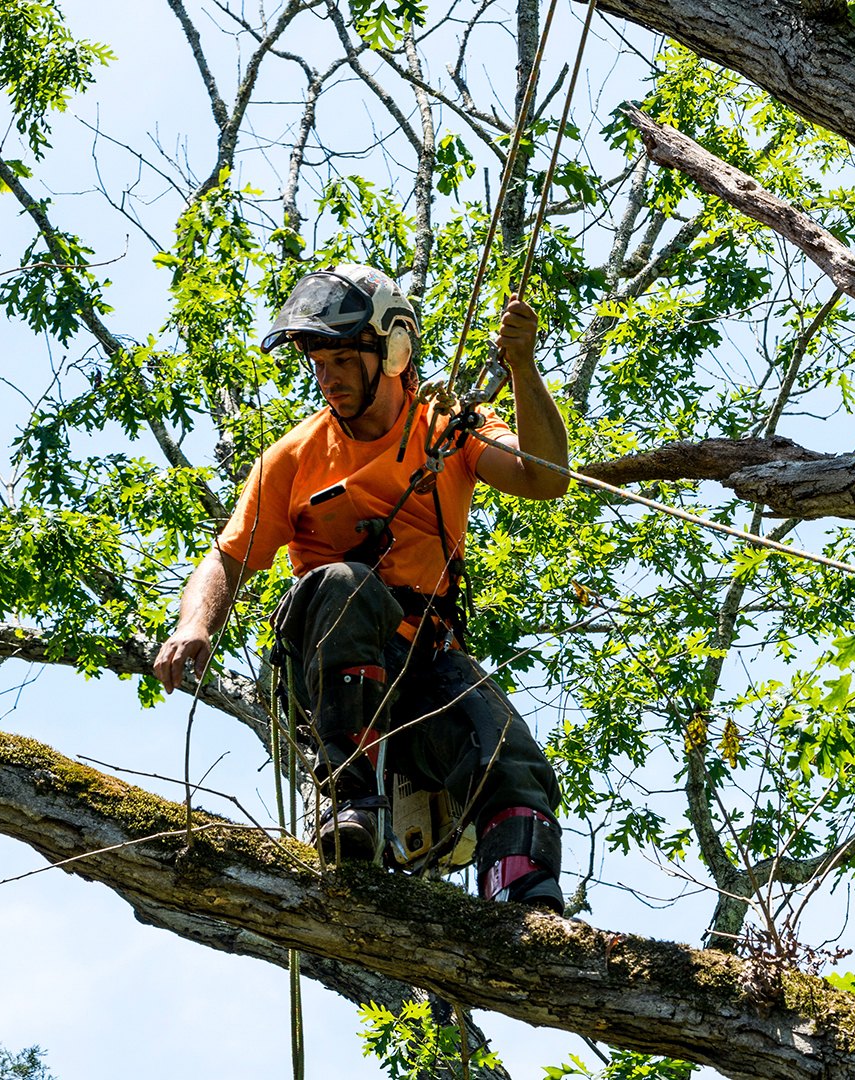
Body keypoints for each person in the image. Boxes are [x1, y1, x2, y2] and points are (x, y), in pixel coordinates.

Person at [152, 263, 570, 911]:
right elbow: (226, 560)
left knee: (511, 760)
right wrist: (194, 625)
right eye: (318, 361)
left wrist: (522, 367)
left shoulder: (449, 426)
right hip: (333, 679)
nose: (327, 376)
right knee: (349, 585)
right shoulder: (292, 459)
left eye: (343, 358)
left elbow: (543, 477)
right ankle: (350, 796)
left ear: (395, 349)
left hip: (424, 668)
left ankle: (524, 904)